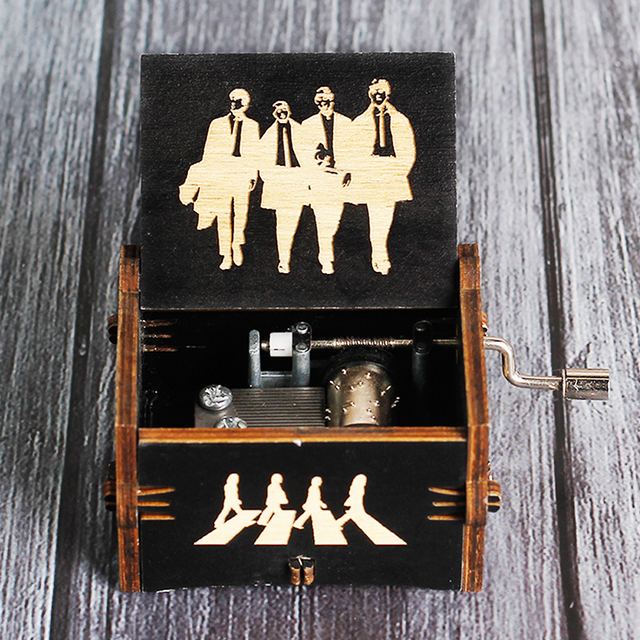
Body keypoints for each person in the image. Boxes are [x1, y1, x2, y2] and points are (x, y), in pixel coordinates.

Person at [179, 88, 260, 269]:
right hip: (222, 171)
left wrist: (252, 176)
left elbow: (255, 154)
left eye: (238, 101)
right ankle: (226, 254)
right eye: (232, 100)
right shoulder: (217, 124)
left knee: (240, 212)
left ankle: (237, 243)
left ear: (246, 104)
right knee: (223, 214)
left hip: (242, 172)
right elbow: (208, 151)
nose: (234, 104)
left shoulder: (253, 126)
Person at [351, 79, 415, 275]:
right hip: (371, 170)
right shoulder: (360, 121)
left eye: (381, 91)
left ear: (388, 93)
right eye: (374, 91)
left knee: (386, 214)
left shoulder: (400, 119)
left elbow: (408, 150)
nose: (378, 94)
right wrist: (362, 170)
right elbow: (352, 151)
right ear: (369, 94)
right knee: (375, 214)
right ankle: (379, 254)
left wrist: (399, 171)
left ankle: (380, 251)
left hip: (391, 170)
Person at [301, 87, 353, 274]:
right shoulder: (308, 124)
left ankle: (331, 253)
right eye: (320, 101)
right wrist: (310, 175)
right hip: (319, 177)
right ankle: (326, 259)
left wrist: (349, 171)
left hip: (339, 178)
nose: (324, 104)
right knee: (322, 219)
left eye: (327, 101)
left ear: (333, 101)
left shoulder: (346, 122)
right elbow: (303, 154)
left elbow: (353, 150)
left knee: (335, 218)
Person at [259, 101, 308, 274]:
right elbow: (262, 161)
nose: (281, 113)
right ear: (274, 114)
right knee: (283, 223)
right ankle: (283, 259)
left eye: (284, 110)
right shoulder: (268, 135)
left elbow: (310, 154)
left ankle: (300, 259)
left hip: (298, 178)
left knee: (296, 220)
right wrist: (272, 177)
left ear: (289, 111)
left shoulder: (300, 130)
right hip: (279, 180)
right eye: (278, 111)